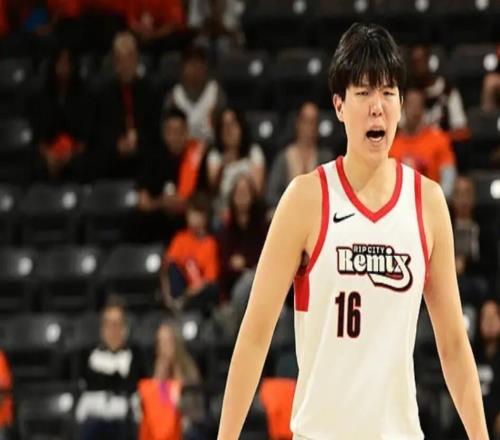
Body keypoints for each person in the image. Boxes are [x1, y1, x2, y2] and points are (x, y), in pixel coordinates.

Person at [217, 23, 489, 439]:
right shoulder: (306, 199)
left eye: (388, 92)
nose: (377, 107)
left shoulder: (428, 203)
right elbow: (254, 337)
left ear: (401, 103)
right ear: (340, 105)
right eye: (363, 93)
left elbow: (453, 345)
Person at [128, 107, 206, 243]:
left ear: (187, 132)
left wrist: (182, 203)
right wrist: (163, 202)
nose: (175, 137)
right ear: (164, 134)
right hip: (157, 221)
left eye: (179, 131)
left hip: (186, 221)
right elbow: (143, 201)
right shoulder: (152, 159)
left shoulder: (196, 158)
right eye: (171, 132)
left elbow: (203, 200)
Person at [76, 295, 145, 440]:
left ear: (125, 328)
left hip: (124, 421)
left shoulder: (136, 355)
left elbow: (133, 386)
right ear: (102, 328)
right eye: (108, 324)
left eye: (117, 324)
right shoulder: (88, 355)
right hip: (93, 420)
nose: (112, 330)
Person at [91, 31, 154, 180]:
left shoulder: (150, 91)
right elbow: (99, 129)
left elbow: (153, 127)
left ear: (137, 59)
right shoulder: (102, 93)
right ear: (114, 62)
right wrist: (117, 143)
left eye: (130, 58)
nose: (126, 65)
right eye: (121, 59)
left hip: (143, 153)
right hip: (112, 155)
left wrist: (138, 139)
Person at [29, 45, 89, 182]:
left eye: (67, 63)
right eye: (60, 63)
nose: (63, 68)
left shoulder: (85, 96)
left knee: (85, 163)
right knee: (36, 165)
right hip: (49, 154)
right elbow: (39, 136)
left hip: (75, 153)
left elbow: (86, 137)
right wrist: (49, 155)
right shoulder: (42, 97)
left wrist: (70, 154)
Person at [138, 321, 203, 440]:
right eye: (160, 342)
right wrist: (159, 377)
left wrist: (177, 374)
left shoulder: (187, 366)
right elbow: (152, 404)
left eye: (167, 341)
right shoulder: (157, 368)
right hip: (162, 425)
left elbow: (192, 405)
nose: (163, 347)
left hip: (187, 423)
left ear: (176, 343)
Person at [266, 101, 334, 213]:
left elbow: (333, 192)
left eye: (313, 122)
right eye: (306, 121)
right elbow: (271, 195)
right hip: (289, 213)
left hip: (318, 213)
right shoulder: (284, 157)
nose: (309, 127)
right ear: (297, 123)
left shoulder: (326, 158)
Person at [390, 86, 457, 199]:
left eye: (418, 105)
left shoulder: (439, 139)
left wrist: (434, 201)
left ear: (423, 109)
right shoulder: (391, 143)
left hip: (431, 202)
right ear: (402, 108)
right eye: (411, 105)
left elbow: (448, 180)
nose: (414, 110)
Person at [160, 193, 219, 316]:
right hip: (180, 290)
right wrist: (168, 297)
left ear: (205, 217)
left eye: (197, 213)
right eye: (191, 213)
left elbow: (209, 279)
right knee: (172, 268)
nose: (193, 217)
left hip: (198, 294)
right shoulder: (180, 239)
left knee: (211, 289)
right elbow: (168, 267)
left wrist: (189, 293)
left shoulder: (210, 243)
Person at [206, 107, 266, 219]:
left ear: (241, 127)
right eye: (224, 125)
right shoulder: (215, 155)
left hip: (250, 214)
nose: (228, 130)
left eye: (232, 124)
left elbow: (258, 191)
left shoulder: (254, 152)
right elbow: (212, 191)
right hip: (221, 215)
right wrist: (223, 166)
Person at [217, 172, 267, 298]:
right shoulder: (226, 230)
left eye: (245, 192)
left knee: (252, 278)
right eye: (239, 192)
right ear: (232, 196)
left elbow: (265, 259)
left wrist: (245, 262)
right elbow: (223, 265)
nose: (242, 196)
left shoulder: (262, 227)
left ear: (252, 195)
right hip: (234, 287)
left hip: (259, 283)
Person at [163, 46, 227, 142]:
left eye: (198, 64)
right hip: (182, 148)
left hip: (211, 145)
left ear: (205, 66)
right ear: (183, 68)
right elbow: (166, 130)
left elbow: (224, 126)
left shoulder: (216, 91)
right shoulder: (174, 96)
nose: (195, 69)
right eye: (191, 64)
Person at [408, 44, 469, 143]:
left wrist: (436, 139)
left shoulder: (447, 91)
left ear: (430, 60)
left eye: (421, 61)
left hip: (441, 146)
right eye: (414, 62)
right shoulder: (408, 94)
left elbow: (461, 130)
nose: (418, 67)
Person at [472, 300, 500, 438]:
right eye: (485, 317)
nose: (489, 322)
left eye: (493, 317)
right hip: (474, 418)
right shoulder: (472, 354)